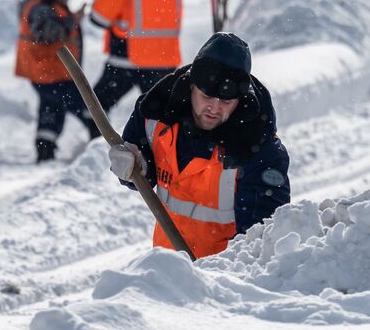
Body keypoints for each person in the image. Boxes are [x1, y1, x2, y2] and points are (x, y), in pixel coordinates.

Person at [108, 33, 290, 259]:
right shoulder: (156, 111)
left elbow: (260, 240)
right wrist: (135, 168)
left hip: (224, 274)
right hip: (166, 265)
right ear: (191, 85)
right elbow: (141, 170)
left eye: (226, 101)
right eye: (207, 96)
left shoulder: (256, 145)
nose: (214, 108)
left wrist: (218, 275)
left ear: (241, 100)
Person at [89, 0, 182, 113]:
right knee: (162, 114)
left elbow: (98, 18)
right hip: (164, 62)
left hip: (126, 57)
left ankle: (97, 131)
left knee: (95, 108)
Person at [15, 0, 98, 161]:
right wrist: (72, 20)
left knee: (52, 109)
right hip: (49, 72)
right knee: (85, 105)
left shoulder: (47, 5)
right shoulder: (41, 7)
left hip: (50, 72)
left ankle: (45, 149)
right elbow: (48, 33)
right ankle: (100, 140)